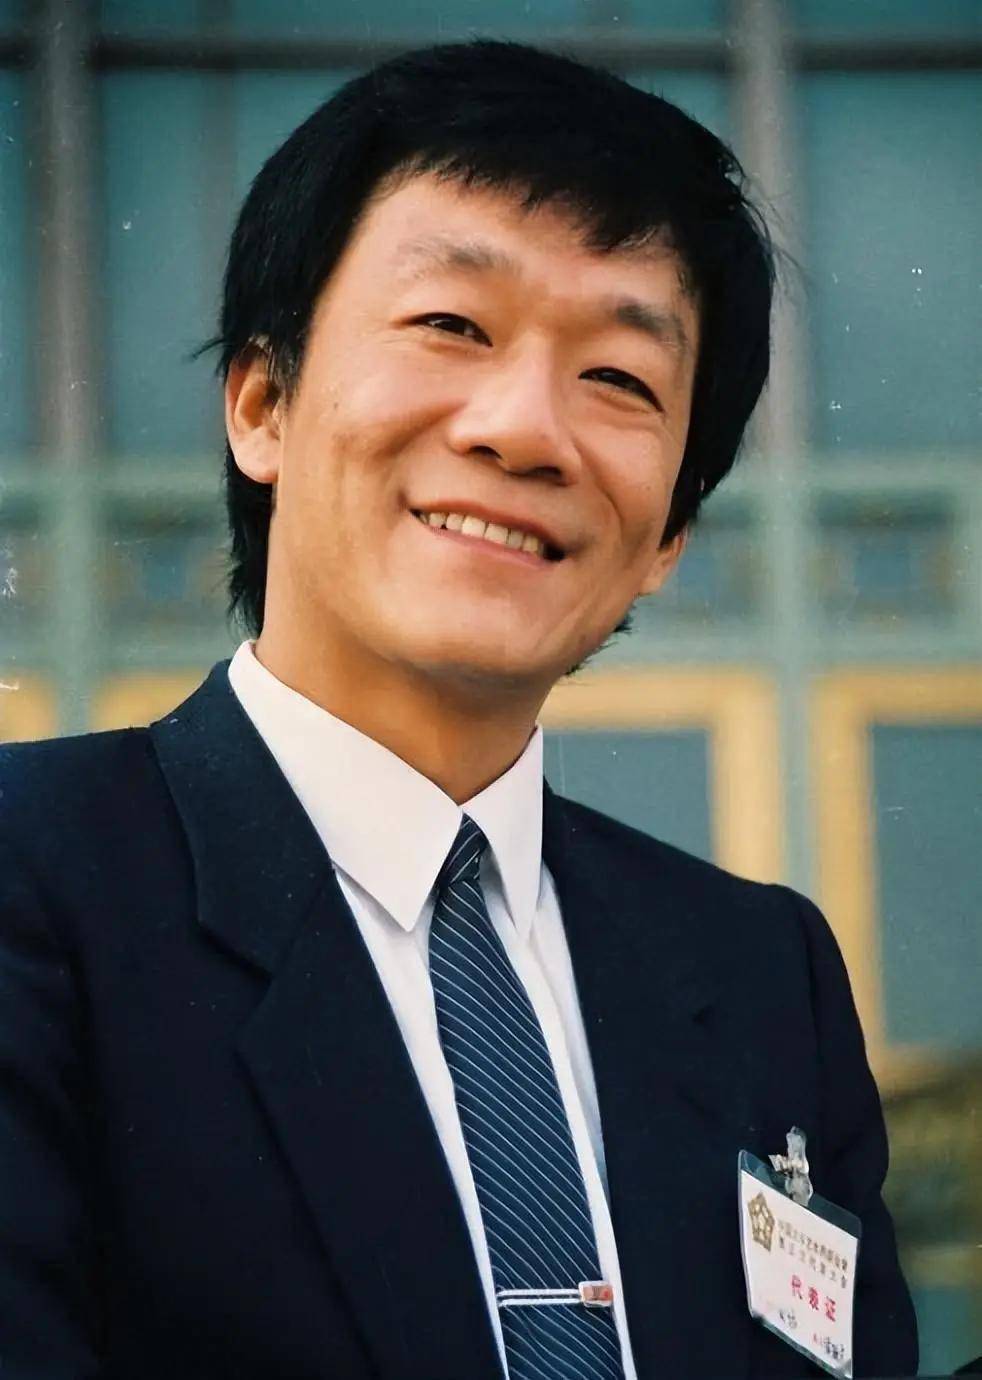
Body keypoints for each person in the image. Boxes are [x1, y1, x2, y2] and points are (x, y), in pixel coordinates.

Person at [0, 39, 917, 1380]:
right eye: (452, 326)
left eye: (619, 379)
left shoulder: (759, 972)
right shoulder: (37, 877)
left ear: (667, 536)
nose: (524, 428)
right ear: (262, 404)